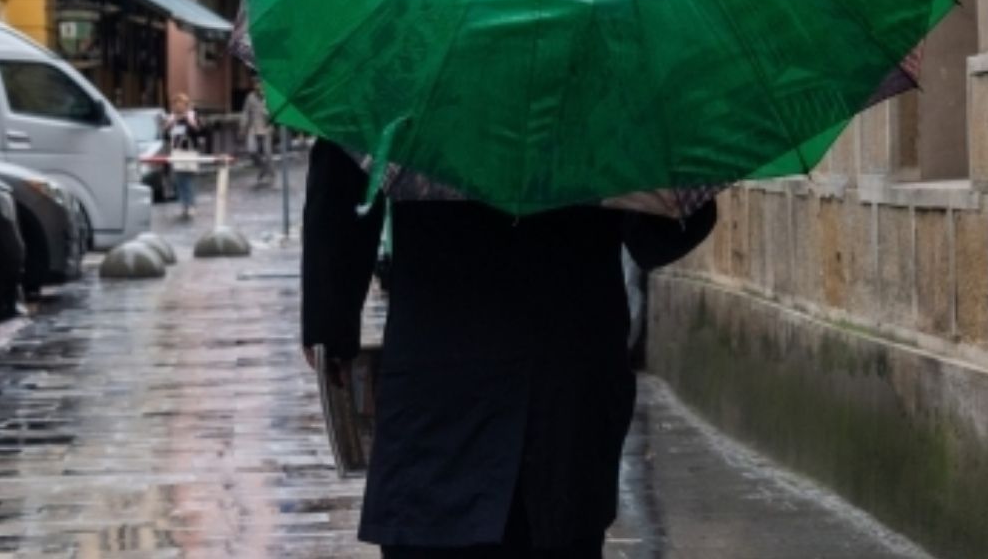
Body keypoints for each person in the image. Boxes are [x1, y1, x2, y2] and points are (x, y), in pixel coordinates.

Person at [301, 140, 716, 558]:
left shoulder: (408, 97)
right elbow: (658, 237)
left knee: (439, 530)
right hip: (563, 383)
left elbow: (345, 167)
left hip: (441, 380)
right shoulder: (608, 105)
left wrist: (330, 329)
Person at [162, 93, 205, 221]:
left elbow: (200, 132)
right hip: (176, 152)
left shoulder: (192, 116)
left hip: (190, 151)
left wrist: (190, 123)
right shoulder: (171, 118)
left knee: (189, 179)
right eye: (175, 103)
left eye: (181, 103)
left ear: (186, 105)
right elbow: (165, 136)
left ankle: (191, 205)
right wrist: (169, 125)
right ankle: (184, 205)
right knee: (179, 180)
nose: (178, 106)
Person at [241, 80, 272, 185]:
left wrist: (268, 113)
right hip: (253, 128)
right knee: (251, 150)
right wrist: (243, 126)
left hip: (266, 128)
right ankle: (262, 167)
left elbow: (274, 114)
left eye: (261, 85)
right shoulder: (250, 97)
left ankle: (271, 174)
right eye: (257, 84)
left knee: (267, 153)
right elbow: (245, 112)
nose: (259, 87)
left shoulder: (269, 98)